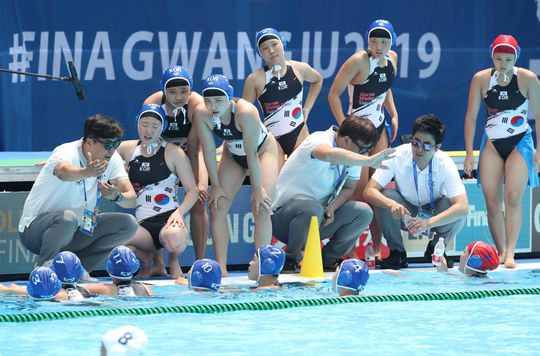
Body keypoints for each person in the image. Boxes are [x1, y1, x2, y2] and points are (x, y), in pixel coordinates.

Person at [18, 114, 139, 282]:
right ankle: (44, 272)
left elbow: (132, 199)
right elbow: (62, 172)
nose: (112, 150)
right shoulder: (66, 151)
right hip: (36, 230)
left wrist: (117, 197)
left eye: (116, 144)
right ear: (89, 141)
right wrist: (86, 172)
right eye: (108, 145)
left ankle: (74, 271)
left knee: (128, 224)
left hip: (76, 230)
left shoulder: (112, 159)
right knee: (67, 218)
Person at [271, 116, 395, 272]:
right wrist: (368, 161)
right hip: (283, 219)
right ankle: (291, 259)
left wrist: (333, 207)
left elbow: (349, 187)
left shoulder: (354, 157)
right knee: (312, 208)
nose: (364, 154)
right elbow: (329, 154)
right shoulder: (318, 139)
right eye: (363, 149)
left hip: (318, 218)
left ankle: (327, 259)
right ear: (347, 141)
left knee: (363, 212)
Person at [463, 34, 540, 269]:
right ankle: (500, 249)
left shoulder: (527, 79)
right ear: (492, 57)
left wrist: (539, 149)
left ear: (515, 58)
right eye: (498, 58)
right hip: (493, 144)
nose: (503, 63)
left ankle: (511, 253)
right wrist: (468, 153)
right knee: (492, 201)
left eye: (508, 58)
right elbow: (471, 117)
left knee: (513, 198)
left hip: (520, 142)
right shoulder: (481, 79)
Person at [328, 19, 399, 258]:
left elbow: (385, 88)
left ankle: (377, 249)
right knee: (357, 194)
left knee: (376, 190)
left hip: (379, 128)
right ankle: (349, 254)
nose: (379, 46)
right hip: (358, 133)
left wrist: (393, 112)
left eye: (384, 41)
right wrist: (345, 129)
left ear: (392, 42)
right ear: (367, 41)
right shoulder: (358, 61)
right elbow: (333, 95)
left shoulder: (393, 59)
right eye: (374, 40)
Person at [195, 74, 279, 276]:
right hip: (232, 155)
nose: (213, 105)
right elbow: (207, 150)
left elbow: (252, 156)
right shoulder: (201, 113)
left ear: (230, 98)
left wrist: (257, 189)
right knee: (217, 205)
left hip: (262, 152)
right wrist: (214, 185)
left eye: (218, 100)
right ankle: (221, 270)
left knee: (262, 206)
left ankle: (261, 267)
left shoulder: (245, 112)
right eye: (208, 100)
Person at [365, 114, 468, 269]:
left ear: (437, 147)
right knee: (385, 197)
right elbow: (369, 191)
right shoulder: (396, 155)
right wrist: (391, 204)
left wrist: (428, 222)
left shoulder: (446, 163)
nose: (419, 149)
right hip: (405, 211)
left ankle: (436, 249)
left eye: (427, 145)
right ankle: (397, 252)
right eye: (416, 143)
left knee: (457, 212)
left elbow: (463, 207)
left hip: (434, 212)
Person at [117, 104, 199, 279]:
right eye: (145, 124)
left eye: (155, 126)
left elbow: (193, 191)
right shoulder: (127, 149)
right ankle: (146, 259)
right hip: (142, 228)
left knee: (175, 236)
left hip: (168, 220)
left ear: (162, 128)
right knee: (122, 248)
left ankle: (174, 260)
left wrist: (179, 212)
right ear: (137, 124)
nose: (149, 130)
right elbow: (103, 154)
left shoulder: (174, 152)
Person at [144, 65, 209, 274]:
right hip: (163, 155)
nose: (179, 97)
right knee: (156, 203)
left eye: (184, 91)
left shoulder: (197, 105)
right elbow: (150, 143)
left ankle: (199, 262)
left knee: (199, 202)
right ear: (164, 91)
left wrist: (201, 182)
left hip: (191, 154)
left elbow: (197, 148)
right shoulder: (152, 104)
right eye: (172, 92)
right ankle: (159, 264)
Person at [243, 28, 323, 170]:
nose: (272, 51)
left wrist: (307, 108)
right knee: (275, 186)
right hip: (273, 141)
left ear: (283, 44)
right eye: (265, 48)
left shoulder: (300, 68)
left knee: (301, 183)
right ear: (261, 54)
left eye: (274, 44)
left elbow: (318, 80)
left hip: (300, 134)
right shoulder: (255, 79)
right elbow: (242, 115)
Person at [435, 241, 500, 277]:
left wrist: (443, 273)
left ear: (474, 261)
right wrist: (444, 271)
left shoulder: (469, 282)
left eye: (464, 252)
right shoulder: (486, 279)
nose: (460, 254)